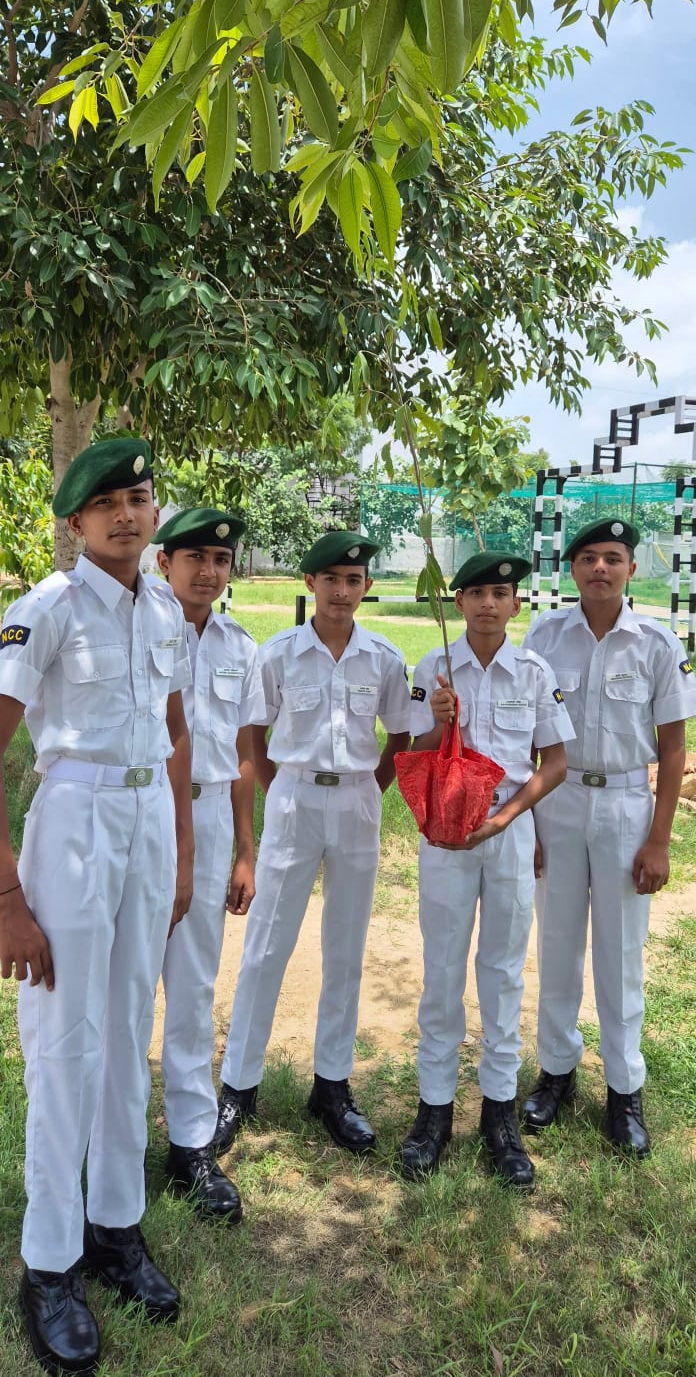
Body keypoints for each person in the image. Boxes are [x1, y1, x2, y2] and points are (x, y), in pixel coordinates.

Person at [0, 438, 194, 1377]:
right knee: (65, 1037)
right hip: (73, 813)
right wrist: (6, 895)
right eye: (106, 501)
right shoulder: (43, 609)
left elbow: (175, 728)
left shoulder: (165, 605)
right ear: (75, 522)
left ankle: (117, 1226)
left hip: (149, 814)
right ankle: (48, 1261)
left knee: (127, 1026)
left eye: (140, 496)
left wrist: (183, 848)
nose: (126, 512)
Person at [213, 531, 411, 1156]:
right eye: (331, 579)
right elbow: (253, 733)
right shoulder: (278, 655)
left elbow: (399, 735)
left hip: (356, 799)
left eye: (354, 581)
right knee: (268, 942)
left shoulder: (383, 657)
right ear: (311, 584)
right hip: (295, 796)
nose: (343, 591)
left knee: (346, 946)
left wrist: (371, 790)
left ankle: (332, 1086)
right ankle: (238, 1087)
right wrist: (279, 787)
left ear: (366, 588)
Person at [521, 518, 695, 1156]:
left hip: (625, 803)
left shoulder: (655, 642)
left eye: (613, 558)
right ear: (572, 570)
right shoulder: (544, 637)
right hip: (559, 803)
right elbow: (530, 738)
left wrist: (660, 839)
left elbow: (673, 749)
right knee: (558, 942)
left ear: (631, 569)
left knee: (622, 956)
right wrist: (530, 822)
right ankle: (556, 1075)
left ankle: (625, 1091)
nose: (600, 568)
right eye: (589, 557)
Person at [400, 552, 574, 1188]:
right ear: (457, 603)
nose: (487, 604)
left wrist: (509, 821)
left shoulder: (533, 671)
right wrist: (437, 722)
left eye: (500, 593)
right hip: (448, 831)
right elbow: (413, 752)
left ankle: (498, 1116)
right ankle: (434, 1113)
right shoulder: (435, 669)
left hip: (506, 827)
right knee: (442, 970)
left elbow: (553, 762)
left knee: (502, 974)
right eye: (475, 593)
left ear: (516, 604)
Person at [155, 507, 265, 1220]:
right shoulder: (141, 627)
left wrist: (247, 848)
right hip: (141, 814)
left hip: (213, 817)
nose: (208, 570)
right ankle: (100, 1140)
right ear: (164, 561)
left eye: (220, 559)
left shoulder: (240, 646)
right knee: (121, 986)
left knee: (194, 985)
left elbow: (247, 756)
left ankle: (190, 1143)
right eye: (193, 555)